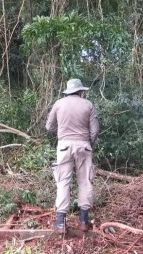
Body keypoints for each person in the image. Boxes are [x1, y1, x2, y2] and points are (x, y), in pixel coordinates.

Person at [45, 78, 99, 233]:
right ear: (81, 91)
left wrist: (62, 130)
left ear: (68, 91)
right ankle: (83, 221)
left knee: (63, 182)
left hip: (64, 147)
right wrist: (89, 144)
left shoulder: (58, 104)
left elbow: (49, 126)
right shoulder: (88, 104)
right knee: (85, 182)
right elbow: (94, 130)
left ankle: (61, 223)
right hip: (84, 145)